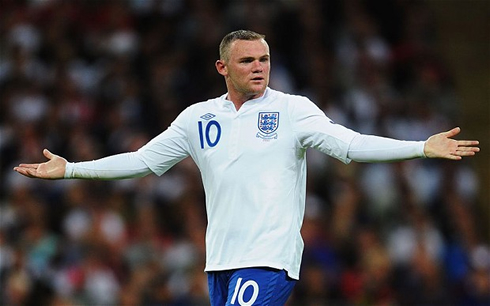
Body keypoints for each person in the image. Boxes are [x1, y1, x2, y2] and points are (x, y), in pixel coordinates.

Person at [14, 30, 480, 305]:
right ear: (222, 67)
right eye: (247, 61)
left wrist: (421, 147)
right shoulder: (198, 118)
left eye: (265, 59)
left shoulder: (294, 110)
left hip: (269, 259)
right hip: (220, 262)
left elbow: (351, 145)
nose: (259, 68)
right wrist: (72, 169)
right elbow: (143, 161)